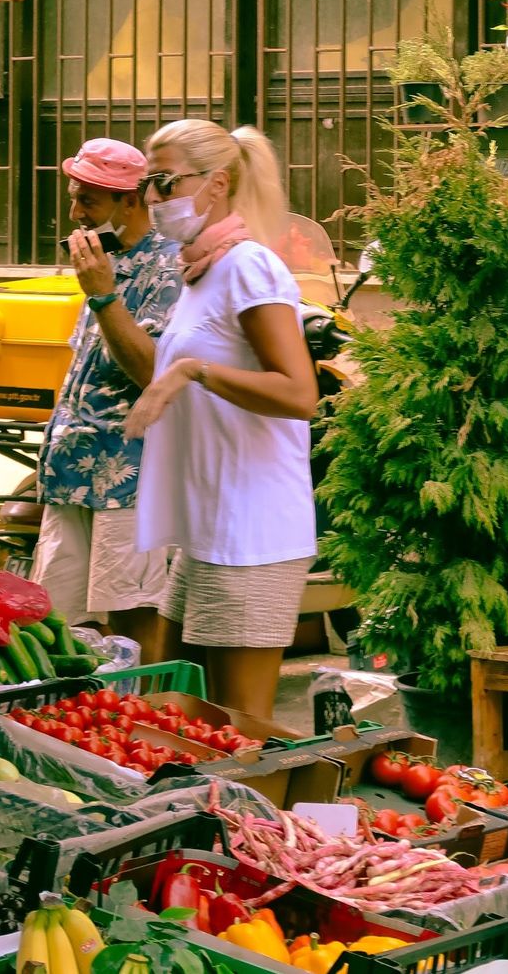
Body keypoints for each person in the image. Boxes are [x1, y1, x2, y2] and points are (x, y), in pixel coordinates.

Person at [125, 121, 318, 717]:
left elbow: (298, 392)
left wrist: (192, 372)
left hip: (252, 533)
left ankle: (266, 815)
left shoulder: (250, 267)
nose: (153, 200)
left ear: (219, 184)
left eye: (165, 182)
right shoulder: (200, 272)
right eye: (148, 185)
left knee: (241, 731)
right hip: (206, 528)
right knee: (183, 714)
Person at [34, 139, 183, 661]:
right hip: (71, 469)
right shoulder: (104, 258)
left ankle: (143, 716)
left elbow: (151, 370)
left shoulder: (169, 266)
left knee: (132, 615)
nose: (75, 213)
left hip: (128, 474)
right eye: (74, 198)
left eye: (89, 202)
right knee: (53, 620)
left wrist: (103, 295)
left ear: (132, 200)